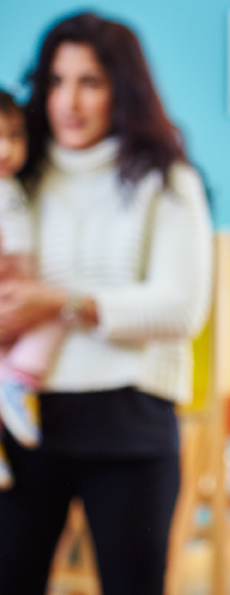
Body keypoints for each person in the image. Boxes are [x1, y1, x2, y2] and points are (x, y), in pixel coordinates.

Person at [0, 12, 213, 595]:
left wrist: (59, 301)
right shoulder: (17, 176)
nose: (69, 101)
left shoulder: (167, 181)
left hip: (129, 421)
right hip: (21, 424)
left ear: (123, 88)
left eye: (89, 82)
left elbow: (180, 309)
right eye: (56, 81)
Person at [0, 90, 71, 491]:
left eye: (15, 136)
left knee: (61, 308)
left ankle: (15, 381)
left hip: (19, 289)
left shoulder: (19, 190)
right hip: (10, 285)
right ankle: (17, 381)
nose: (6, 149)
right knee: (58, 311)